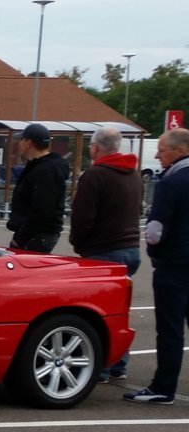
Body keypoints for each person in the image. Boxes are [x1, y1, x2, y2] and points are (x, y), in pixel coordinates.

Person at [69, 126, 142, 382]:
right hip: (131, 248)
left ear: (95, 148)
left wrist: (79, 244)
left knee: (97, 312)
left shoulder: (94, 175)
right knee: (119, 310)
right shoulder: (133, 174)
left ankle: (101, 366)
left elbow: (82, 217)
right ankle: (119, 362)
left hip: (104, 249)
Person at [124, 128, 189, 405]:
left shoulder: (171, 182)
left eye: (162, 150)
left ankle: (163, 387)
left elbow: (154, 229)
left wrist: (155, 253)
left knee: (170, 329)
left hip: (174, 263)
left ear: (179, 150)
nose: (158, 156)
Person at [6, 122, 68, 253]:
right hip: (35, 233)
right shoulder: (38, 166)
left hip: (37, 235)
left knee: (20, 264)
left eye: (22, 140)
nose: (19, 143)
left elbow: (42, 209)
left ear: (29, 143)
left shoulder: (45, 170)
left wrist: (20, 238)